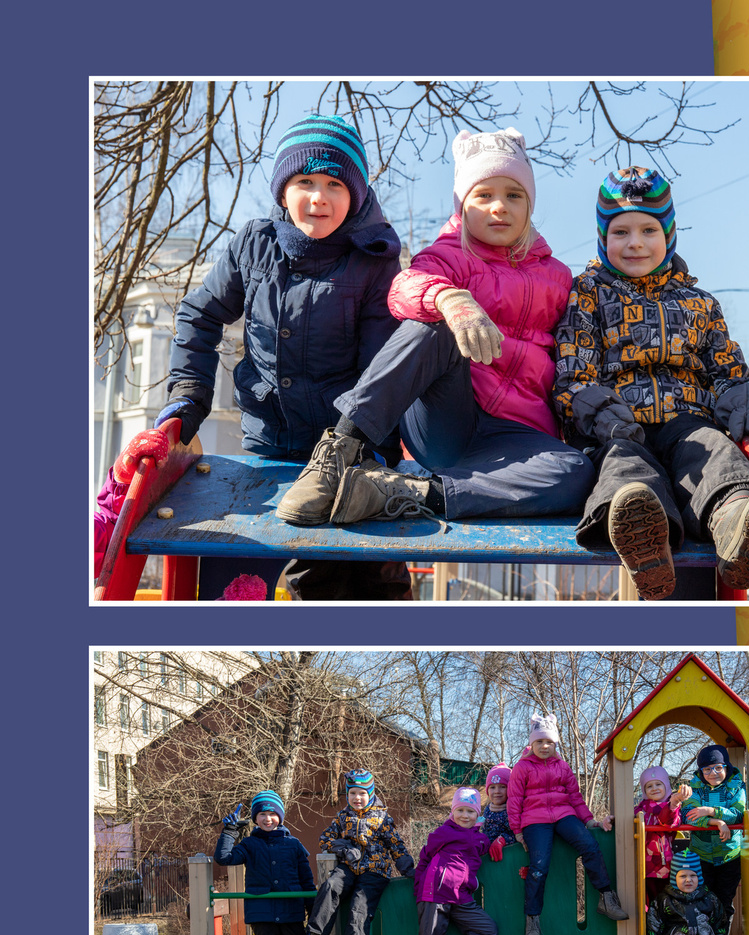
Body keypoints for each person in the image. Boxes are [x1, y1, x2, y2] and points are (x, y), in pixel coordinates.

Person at [110, 113, 409, 602]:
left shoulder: (373, 258)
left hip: (348, 451)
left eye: (335, 183)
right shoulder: (255, 244)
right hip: (269, 444)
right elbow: (199, 315)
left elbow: (379, 364)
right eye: (305, 181)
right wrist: (189, 396)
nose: (318, 197)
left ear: (354, 194)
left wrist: (362, 440)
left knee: (356, 574)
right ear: (282, 189)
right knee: (243, 575)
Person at [285, 128, 591, 530]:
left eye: (513, 195)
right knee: (436, 324)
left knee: (576, 472)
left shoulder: (559, 277)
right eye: (483, 195)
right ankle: (339, 449)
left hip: (515, 436)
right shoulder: (449, 254)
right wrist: (449, 299)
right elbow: (404, 289)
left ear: (530, 205)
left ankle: (408, 493)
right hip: (446, 419)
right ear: (463, 205)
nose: (499, 206)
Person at [552, 167, 749, 598]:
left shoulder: (698, 303)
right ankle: (646, 540)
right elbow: (574, 369)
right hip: (619, 426)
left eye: (649, 229)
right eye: (620, 232)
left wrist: (746, 408)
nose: (635, 243)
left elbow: (728, 370)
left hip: (687, 419)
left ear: (668, 236)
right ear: (602, 238)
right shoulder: (588, 293)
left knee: (714, 452)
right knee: (625, 468)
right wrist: (599, 411)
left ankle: (737, 529)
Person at [509, 712, 627, 935]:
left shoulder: (562, 767)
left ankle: (606, 897)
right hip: (535, 819)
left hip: (564, 815)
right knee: (539, 866)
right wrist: (518, 831)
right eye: (540, 741)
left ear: (555, 744)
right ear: (531, 743)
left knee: (590, 846)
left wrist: (589, 820)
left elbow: (575, 797)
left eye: (550, 742)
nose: (544, 746)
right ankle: (532, 921)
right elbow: (514, 800)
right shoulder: (522, 768)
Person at [213, 789, 315, 935]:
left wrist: (313, 915)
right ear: (255, 819)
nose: (267, 819)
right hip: (262, 914)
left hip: (290, 912)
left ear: (280, 816)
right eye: (262, 815)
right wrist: (230, 831)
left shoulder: (293, 844)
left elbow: (307, 881)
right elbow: (224, 858)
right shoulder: (249, 844)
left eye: (272, 814)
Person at [304, 768, 414, 935]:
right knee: (330, 885)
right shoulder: (343, 817)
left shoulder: (382, 818)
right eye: (352, 793)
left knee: (359, 903)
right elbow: (324, 839)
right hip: (349, 867)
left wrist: (408, 869)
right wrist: (344, 849)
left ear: (371, 794)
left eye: (362, 793)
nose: (357, 798)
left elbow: (396, 846)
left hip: (375, 870)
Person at [413, 786, 499, 935]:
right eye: (460, 810)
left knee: (487, 931)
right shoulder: (444, 832)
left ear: (477, 814)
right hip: (435, 893)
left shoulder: (479, 839)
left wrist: (499, 842)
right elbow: (425, 857)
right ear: (453, 812)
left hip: (461, 896)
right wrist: (419, 890)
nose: (464, 816)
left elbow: (482, 846)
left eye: (470, 811)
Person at [679, 744, 748, 935]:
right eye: (707, 769)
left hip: (729, 855)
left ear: (726, 767)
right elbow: (688, 815)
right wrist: (716, 821)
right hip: (701, 856)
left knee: (724, 901)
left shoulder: (735, 787)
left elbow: (738, 814)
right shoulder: (695, 789)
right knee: (701, 901)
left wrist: (710, 810)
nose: (713, 773)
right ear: (701, 771)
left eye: (718, 767)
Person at [635, 765, 689, 906]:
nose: (654, 788)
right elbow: (626, 820)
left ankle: (666, 926)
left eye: (658, 784)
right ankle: (650, 926)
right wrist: (612, 819)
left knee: (666, 902)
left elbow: (669, 821)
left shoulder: (671, 806)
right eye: (649, 786)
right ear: (644, 790)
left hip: (664, 866)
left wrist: (674, 803)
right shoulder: (641, 809)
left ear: (666, 786)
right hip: (643, 864)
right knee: (648, 901)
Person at [479, 765, 514, 857]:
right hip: (489, 856)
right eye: (492, 787)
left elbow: (518, 834)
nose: (497, 791)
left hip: (509, 857)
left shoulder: (513, 809)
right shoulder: (487, 810)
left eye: (502, 787)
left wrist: (503, 839)